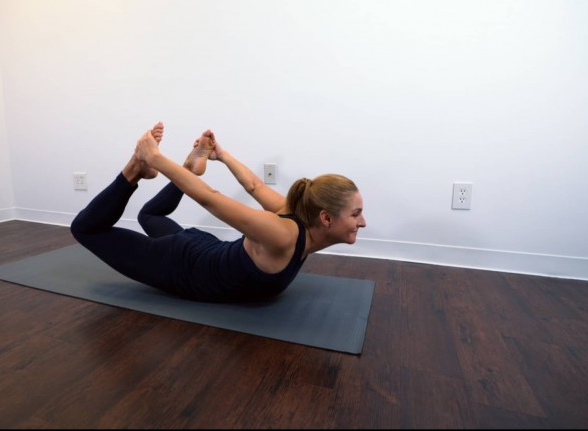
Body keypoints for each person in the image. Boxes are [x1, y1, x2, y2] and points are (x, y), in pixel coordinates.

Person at [70, 122, 366, 303]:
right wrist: (155, 158)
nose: (362, 222)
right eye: (356, 214)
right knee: (85, 229)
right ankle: (136, 167)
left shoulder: (296, 215)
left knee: (149, 216)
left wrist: (221, 155)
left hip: (201, 249)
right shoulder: (282, 234)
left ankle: (185, 167)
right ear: (325, 218)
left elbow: (253, 184)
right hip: (179, 265)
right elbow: (210, 198)